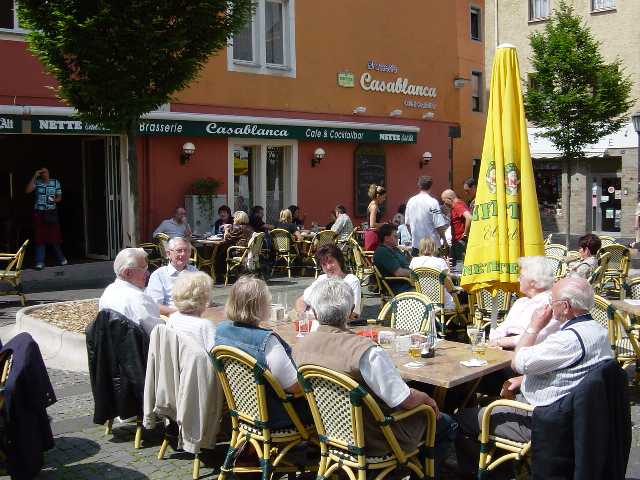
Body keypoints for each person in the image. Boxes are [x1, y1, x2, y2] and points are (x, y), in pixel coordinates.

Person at [455, 277, 613, 476]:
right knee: (493, 400)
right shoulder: (599, 332)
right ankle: (504, 467)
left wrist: (534, 326)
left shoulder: (567, 340)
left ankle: (489, 473)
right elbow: (572, 372)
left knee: (460, 419)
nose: (548, 306)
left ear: (565, 307)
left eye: (552, 302)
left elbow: (518, 362)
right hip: (577, 414)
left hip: (543, 419)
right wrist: (524, 380)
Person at [294, 279, 457, 462]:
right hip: (375, 439)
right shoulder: (366, 352)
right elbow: (405, 400)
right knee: (445, 422)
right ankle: (421, 470)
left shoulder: (301, 346)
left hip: (330, 432)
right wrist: (427, 399)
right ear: (351, 312)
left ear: (315, 312)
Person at [215, 276, 311, 428]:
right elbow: (294, 387)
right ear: (259, 306)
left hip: (242, 407)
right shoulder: (266, 341)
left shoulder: (221, 330)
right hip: (275, 415)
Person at [489, 256, 560, 349]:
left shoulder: (549, 304)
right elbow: (502, 328)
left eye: (521, 276)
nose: (518, 280)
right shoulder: (520, 302)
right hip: (503, 348)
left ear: (533, 282)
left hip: (526, 351)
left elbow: (541, 336)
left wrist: (503, 342)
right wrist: (496, 341)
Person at [98, 248, 162, 335]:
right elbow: (159, 333)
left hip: (111, 346)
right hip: (138, 347)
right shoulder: (139, 298)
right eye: (144, 268)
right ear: (128, 273)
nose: (147, 273)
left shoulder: (108, 292)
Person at [294, 244, 362, 318]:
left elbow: (353, 314)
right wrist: (303, 317)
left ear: (339, 261)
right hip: (311, 323)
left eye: (331, 262)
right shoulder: (322, 279)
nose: (328, 267)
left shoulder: (350, 280)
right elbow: (300, 301)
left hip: (333, 325)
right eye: (324, 264)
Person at [25, 167, 67, 270]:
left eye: (46, 172)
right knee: (40, 237)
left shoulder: (55, 182)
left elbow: (59, 197)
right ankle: (40, 262)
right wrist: (35, 175)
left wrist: (54, 200)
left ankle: (61, 258)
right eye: (42, 173)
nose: (44, 174)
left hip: (51, 212)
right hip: (39, 212)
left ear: (49, 173)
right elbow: (27, 190)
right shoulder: (38, 182)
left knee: (54, 237)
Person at [146, 237, 198, 316]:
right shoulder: (159, 275)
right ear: (168, 254)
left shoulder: (194, 271)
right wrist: (180, 313)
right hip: (172, 318)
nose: (183, 254)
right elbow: (155, 306)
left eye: (187, 251)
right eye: (179, 251)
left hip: (196, 315)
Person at [166, 271, 216, 352]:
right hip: (198, 364)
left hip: (179, 362)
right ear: (203, 297)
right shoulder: (204, 325)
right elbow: (214, 355)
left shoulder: (172, 317)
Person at [404, 176, 449, 256]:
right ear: (431, 186)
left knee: (417, 268)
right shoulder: (433, 202)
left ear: (419, 185)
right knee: (434, 268)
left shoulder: (410, 201)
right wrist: (445, 241)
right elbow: (439, 225)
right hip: (432, 246)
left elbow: (407, 224)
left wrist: (414, 236)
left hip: (417, 245)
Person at [410, 237, 456, 309]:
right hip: (441, 301)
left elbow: (412, 282)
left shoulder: (414, 261)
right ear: (434, 247)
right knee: (463, 295)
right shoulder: (440, 261)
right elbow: (449, 284)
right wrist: (448, 268)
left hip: (424, 301)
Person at [373, 224, 413, 294]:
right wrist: (417, 273)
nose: (398, 238)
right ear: (386, 238)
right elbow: (399, 272)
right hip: (400, 287)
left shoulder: (395, 248)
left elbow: (406, 263)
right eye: (395, 236)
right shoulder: (383, 252)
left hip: (408, 282)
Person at [441, 189, 472, 274]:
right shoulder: (456, 206)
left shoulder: (457, 205)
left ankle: (460, 285)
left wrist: (465, 234)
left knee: (459, 267)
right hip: (456, 242)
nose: (444, 204)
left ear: (449, 199)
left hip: (460, 242)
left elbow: (469, 217)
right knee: (455, 266)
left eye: (444, 201)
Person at [364, 184, 387, 251]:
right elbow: (372, 224)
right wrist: (384, 224)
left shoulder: (373, 204)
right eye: (383, 197)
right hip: (373, 236)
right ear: (378, 196)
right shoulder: (374, 206)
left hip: (373, 235)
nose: (384, 199)